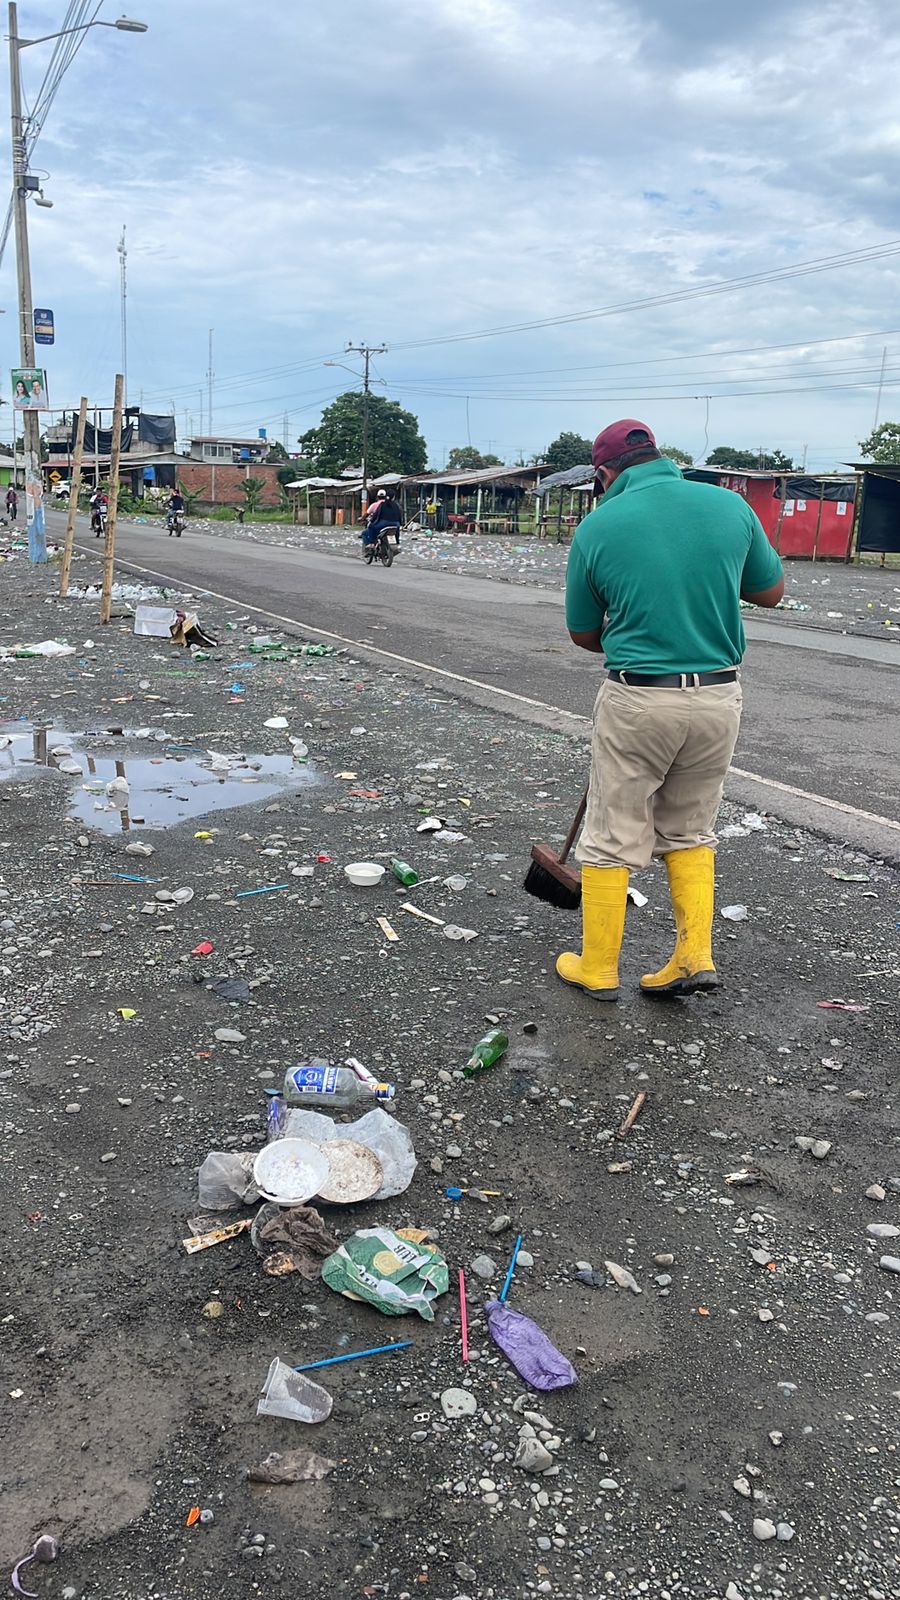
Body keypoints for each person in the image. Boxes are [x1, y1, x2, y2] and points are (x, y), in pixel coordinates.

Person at [557, 419, 784, 1002]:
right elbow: (769, 592)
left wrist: (635, 625)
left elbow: (583, 632)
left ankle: (598, 968)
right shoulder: (729, 506)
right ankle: (692, 956)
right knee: (689, 827)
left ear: (604, 473)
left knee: (612, 834)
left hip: (639, 697)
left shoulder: (599, 524)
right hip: (717, 696)